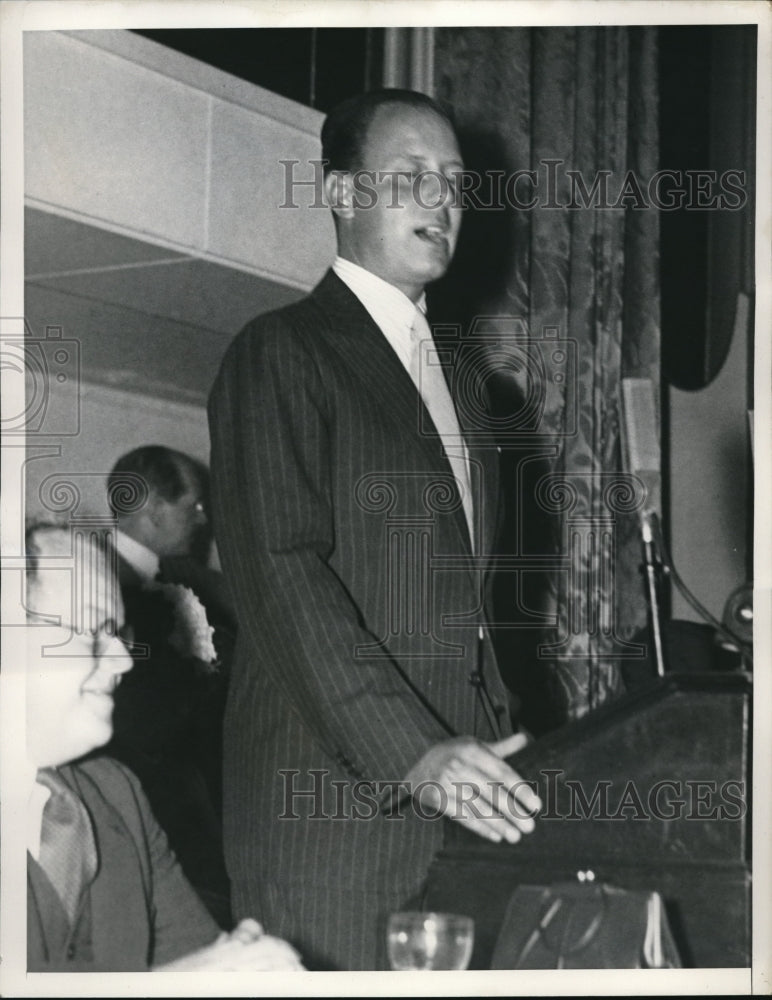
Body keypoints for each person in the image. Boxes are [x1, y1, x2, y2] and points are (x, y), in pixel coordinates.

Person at [208, 88, 541, 971]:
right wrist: (415, 752)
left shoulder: (474, 393)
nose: (441, 202)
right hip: (332, 821)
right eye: (412, 177)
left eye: (456, 185)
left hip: (470, 810)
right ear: (343, 195)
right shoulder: (280, 351)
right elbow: (278, 573)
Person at [24, 522, 303, 971]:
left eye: (117, 631)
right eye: (94, 630)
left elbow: (194, 955)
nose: (124, 658)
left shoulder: (116, 795)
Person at [104, 445, 236, 925]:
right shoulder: (97, 584)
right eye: (194, 506)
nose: (204, 518)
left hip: (194, 820)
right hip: (140, 818)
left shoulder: (198, 588)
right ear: (155, 510)